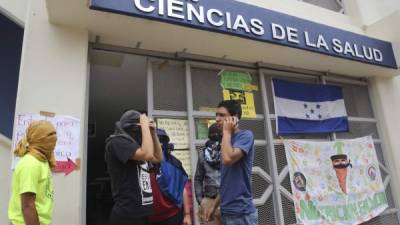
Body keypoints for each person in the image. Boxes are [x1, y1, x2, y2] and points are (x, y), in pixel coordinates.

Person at [105, 110, 163, 225]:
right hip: (127, 215)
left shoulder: (136, 148)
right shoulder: (116, 141)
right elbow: (147, 154)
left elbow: (158, 157)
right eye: (141, 129)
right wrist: (145, 126)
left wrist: (153, 133)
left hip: (142, 214)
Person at [205, 100, 258, 225]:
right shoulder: (225, 140)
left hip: (242, 213)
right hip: (226, 211)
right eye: (216, 115)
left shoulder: (246, 136)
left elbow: (228, 159)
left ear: (235, 118)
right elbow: (226, 181)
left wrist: (227, 132)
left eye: (222, 115)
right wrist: (214, 205)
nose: (217, 119)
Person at [8, 121, 57, 225]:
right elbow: (27, 206)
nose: (54, 139)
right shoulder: (30, 164)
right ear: (39, 139)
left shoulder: (42, 161)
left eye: (54, 135)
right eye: (50, 136)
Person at [149, 128, 192, 225]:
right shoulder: (142, 162)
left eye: (161, 140)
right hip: (149, 218)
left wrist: (187, 214)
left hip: (172, 215)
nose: (159, 144)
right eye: (155, 139)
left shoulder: (174, 164)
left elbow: (182, 189)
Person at [194, 123, 222, 225]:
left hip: (228, 201)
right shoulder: (203, 154)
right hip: (209, 201)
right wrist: (200, 200)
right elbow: (198, 178)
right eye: (213, 135)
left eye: (218, 135)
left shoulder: (228, 152)